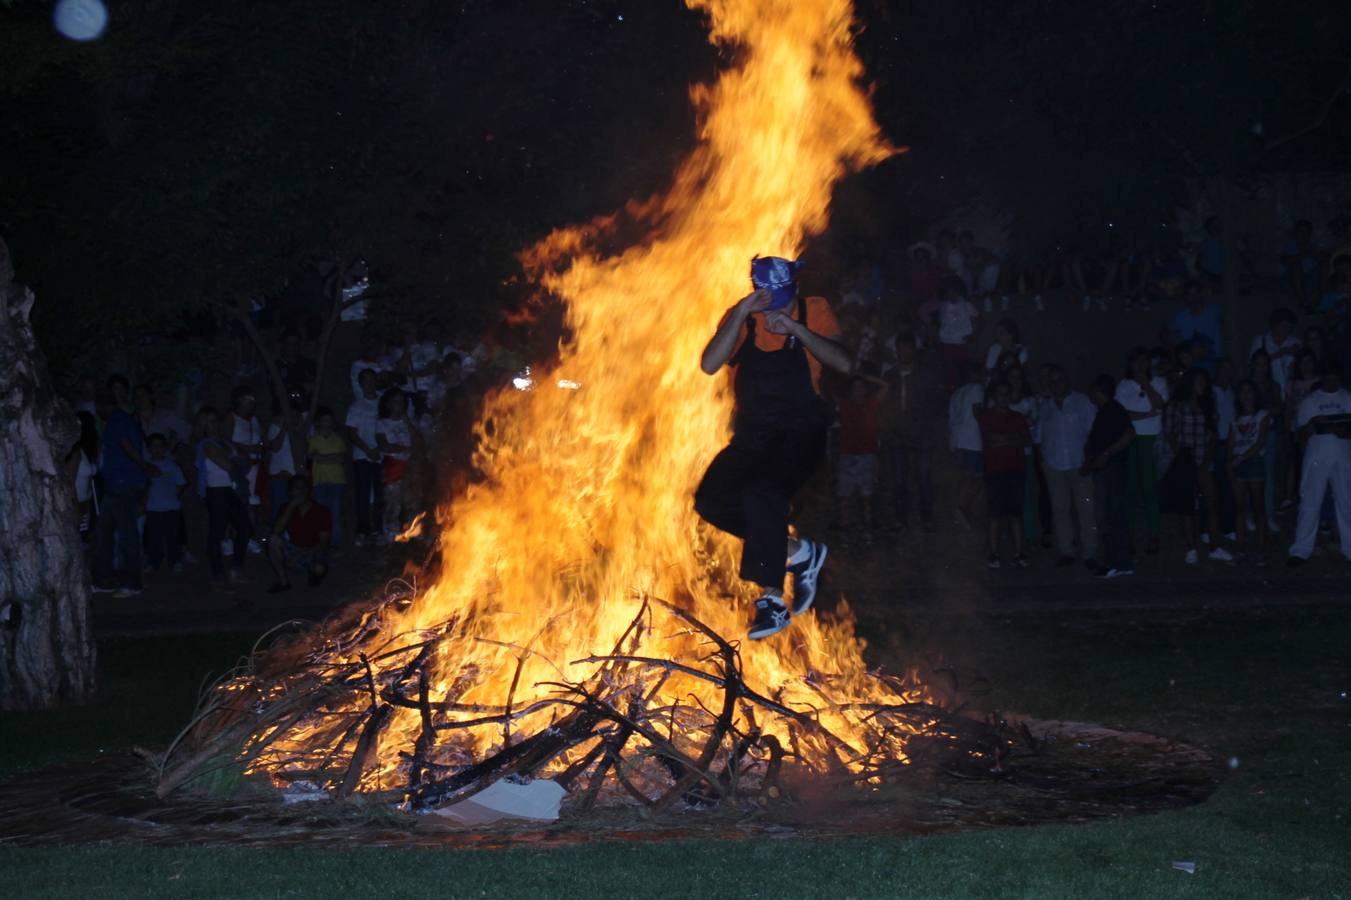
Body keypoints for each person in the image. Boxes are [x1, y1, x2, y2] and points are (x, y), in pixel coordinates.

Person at [694, 256, 850, 639]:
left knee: (763, 492)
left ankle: (771, 600)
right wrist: (743, 311)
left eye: (782, 296)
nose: (775, 305)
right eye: (767, 297)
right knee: (711, 500)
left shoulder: (814, 310)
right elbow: (710, 364)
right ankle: (798, 552)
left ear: (795, 286)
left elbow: (843, 362)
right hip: (753, 435)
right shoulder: (745, 318)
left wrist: (797, 328)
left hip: (802, 432)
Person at [92, 375, 155, 598]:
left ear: (103, 405)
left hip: (124, 483)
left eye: (98, 407)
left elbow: (125, 445)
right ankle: (103, 579)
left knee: (127, 533)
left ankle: (132, 582)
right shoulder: (118, 420)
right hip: (115, 484)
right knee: (104, 532)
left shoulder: (117, 419)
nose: (97, 412)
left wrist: (143, 466)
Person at [1161, 369, 1233, 564]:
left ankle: (1214, 546)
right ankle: (1191, 548)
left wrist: (1206, 459)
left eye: (1205, 381)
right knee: (1187, 506)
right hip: (1184, 460)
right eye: (1199, 381)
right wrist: (1183, 457)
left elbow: (1213, 435)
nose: (1203, 385)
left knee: (1212, 502)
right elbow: (1170, 434)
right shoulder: (1176, 406)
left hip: (1204, 460)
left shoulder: (1207, 405)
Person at [1287, 362, 1351, 564]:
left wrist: (1343, 430)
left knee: (1347, 502)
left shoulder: (1348, 398)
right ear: (1322, 377)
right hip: (1316, 457)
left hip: (1343, 457)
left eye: (1335, 376)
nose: (1332, 380)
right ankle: (1300, 551)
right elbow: (1301, 433)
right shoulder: (1310, 401)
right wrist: (1315, 424)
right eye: (1328, 376)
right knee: (1310, 502)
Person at [879, 331, 942, 532]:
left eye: (908, 348)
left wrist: (930, 428)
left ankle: (926, 515)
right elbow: (882, 406)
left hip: (921, 435)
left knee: (923, 478)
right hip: (897, 436)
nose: (905, 352)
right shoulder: (889, 376)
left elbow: (935, 404)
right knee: (899, 480)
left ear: (914, 349)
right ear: (896, 350)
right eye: (901, 349)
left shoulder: (926, 376)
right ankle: (901, 517)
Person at [1037, 365, 1097, 568]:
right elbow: (1039, 437)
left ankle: (1090, 553)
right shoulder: (1046, 406)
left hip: (1079, 464)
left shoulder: (1082, 402)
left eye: (1059, 379)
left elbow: (1093, 433)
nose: (1056, 384)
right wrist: (1044, 461)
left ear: (1067, 380)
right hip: (1054, 465)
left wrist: (1089, 461)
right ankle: (1067, 552)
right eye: (1051, 381)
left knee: (1086, 510)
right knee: (1060, 511)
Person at [1116, 347, 1168, 554]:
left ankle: (1154, 537)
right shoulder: (1123, 385)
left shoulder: (1159, 383)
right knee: (1130, 490)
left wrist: (1146, 386)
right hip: (1129, 440)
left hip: (1151, 440)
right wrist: (1148, 414)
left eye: (1144, 361)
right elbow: (1122, 414)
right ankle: (1129, 537)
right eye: (1136, 361)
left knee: (1150, 491)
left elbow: (1160, 405)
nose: (1140, 365)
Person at [1083, 374, 1136, 578]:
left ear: (1099, 390)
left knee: (1112, 516)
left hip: (1112, 470)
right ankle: (1116, 562)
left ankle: (1118, 563)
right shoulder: (1105, 411)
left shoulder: (1113, 410)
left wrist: (1106, 454)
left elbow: (1130, 434)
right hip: (1105, 469)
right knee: (1108, 516)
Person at [978, 379, 1030, 567]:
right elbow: (990, 440)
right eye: (999, 393)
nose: (1003, 397)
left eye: (1006, 393)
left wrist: (1003, 439)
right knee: (995, 514)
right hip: (995, 471)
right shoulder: (987, 416)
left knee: (1016, 514)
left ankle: (1020, 553)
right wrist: (1011, 438)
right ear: (994, 396)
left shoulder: (1018, 417)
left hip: (1015, 470)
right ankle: (993, 553)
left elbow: (1025, 440)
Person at [197, 407, 252, 586]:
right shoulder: (206, 443)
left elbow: (244, 460)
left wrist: (235, 458)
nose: (214, 424)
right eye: (210, 421)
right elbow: (227, 464)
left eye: (215, 420)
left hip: (230, 490)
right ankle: (218, 572)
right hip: (216, 491)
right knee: (217, 533)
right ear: (203, 425)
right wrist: (236, 458)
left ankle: (236, 568)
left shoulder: (223, 442)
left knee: (244, 527)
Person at [834, 375, 884, 538]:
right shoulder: (844, 404)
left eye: (861, 387)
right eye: (855, 387)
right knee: (844, 498)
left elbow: (885, 387)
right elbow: (828, 385)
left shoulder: (871, 404)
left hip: (867, 457)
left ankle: (867, 529)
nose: (858, 391)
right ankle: (844, 529)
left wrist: (862, 375)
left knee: (866, 498)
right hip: (847, 456)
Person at [266, 475, 333, 593]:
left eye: (304, 488)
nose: (301, 491)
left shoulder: (321, 510)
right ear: (290, 492)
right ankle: (283, 582)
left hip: (313, 549)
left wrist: (311, 557)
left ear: (309, 490)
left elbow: (324, 543)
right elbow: (276, 531)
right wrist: (291, 507)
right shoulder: (286, 508)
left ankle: (312, 573)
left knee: (319, 569)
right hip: (294, 548)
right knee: (273, 540)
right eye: (297, 488)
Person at [1228, 380, 1271, 565]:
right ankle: (1240, 549)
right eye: (1243, 391)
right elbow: (1231, 444)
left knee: (1258, 507)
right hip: (1238, 463)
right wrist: (1230, 463)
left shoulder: (1263, 415)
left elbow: (1260, 442)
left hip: (1253, 462)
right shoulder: (1235, 419)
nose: (1246, 395)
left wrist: (1240, 458)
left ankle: (1260, 550)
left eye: (1249, 391)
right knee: (1239, 509)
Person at [346, 368, 384, 546]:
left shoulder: (383, 402)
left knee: (380, 494)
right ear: (360, 384)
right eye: (365, 380)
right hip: (362, 455)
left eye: (372, 379)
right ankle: (362, 530)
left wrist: (379, 448)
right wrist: (368, 449)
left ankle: (378, 529)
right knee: (362, 494)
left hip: (382, 455)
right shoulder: (357, 406)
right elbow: (352, 432)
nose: (369, 383)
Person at [948, 361, 986, 529]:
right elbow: (977, 412)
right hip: (973, 441)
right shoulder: (977, 388)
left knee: (967, 476)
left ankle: (962, 511)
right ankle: (961, 508)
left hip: (957, 441)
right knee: (976, 476)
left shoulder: (956, 392)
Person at [142, 433, 186, 572]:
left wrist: (173, 497)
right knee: (154, 538)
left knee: (173, 536)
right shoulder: (145, 466)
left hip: (171, 508)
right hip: (153, 508)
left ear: (165, 448)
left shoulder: (172, 466)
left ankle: (175, 560)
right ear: (148, 448)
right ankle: (153, 561)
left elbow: (181, 483)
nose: (157, 449)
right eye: (154, 446)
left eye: (160, 446)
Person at [376, 387, 417, 541]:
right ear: (388, 404)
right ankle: (390, 535)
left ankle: (410, 533)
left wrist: (406, 420)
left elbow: (417, 440)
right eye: (395, 402)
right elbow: (384, 445)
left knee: (410, 500)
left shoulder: (407, 422)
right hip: (392, 466)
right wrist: (405, 448)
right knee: (392, 502)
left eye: (401, 402)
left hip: (409, 465)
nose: (399, 405)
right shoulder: (382, 423)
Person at [227, 386, 265, 549]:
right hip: (237, 467)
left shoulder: (255, 420)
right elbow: (224, 441)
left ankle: (248, 537)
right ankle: (228, 539)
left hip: (254, 467)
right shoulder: (231, 418)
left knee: (252, 502)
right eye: (247, 399)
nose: (251, 403)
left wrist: (260, 447)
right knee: (234, 501)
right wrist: (246, 449)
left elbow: (263, 440)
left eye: (252, 400)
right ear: (238, 401)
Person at [307, 407, 347, 548]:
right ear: (318, 422)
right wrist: (330, 458)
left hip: (337, 481)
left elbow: (341, 458)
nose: (327, 423)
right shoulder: (313, 440)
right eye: (324, 420)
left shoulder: (338, 440)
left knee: (334, 514)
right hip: (320, 481)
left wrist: (323, 457)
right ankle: (320, 543)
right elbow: (313, 457)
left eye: (329, 420)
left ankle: (335, 544)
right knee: (321, 514)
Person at [1167, 281, 1222, 372]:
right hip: (1193, 364)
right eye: (1190, 294)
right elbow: (1164, 332)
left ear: (1201, 294)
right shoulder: (1181, 317)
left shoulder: (1214, 310)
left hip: (1215, 361)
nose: (1194, 298)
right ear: (1186, 297)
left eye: (1196, 293)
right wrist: (1174, 354)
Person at [936, 276, 979, 388]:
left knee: (962, 369)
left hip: (961, 343)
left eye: (953, 291)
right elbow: (942, 324)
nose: (951, 294)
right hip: (945, 342)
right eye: (948, 291)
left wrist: (973, 335)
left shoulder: (966, 305)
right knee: (948, 369)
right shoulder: (943, 306)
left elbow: (979, 319)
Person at [65, 410, 100, 541]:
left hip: (86, 502)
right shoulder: (75, 452)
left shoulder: (87, 451)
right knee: (79, 539)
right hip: (76, 503)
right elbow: (70, 481)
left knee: (86, 538)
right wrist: (75, 509)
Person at [1250, 308, 1301, 391]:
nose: (1286, 329)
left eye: (1288, 327)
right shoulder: (1261, 340)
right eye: (1283, 326)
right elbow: (1252, 365)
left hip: (1291, 390)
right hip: (1267, 389)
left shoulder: (1295, 342)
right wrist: (1281, 353)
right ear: (1274, 325)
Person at [1280, 220, 1323, 311]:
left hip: (1310, 279)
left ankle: (1317, 299)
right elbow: (1285, 261)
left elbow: (1320, 260)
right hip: (1292, 279)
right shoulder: (1290, 246)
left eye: (1306, 232)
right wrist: (1304, 254)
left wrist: (1314, 254)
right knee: (1296, 265)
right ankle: (1301, 299)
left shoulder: (1314, 246)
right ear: (1295, 233)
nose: (1303, 234)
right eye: (1301, 231)